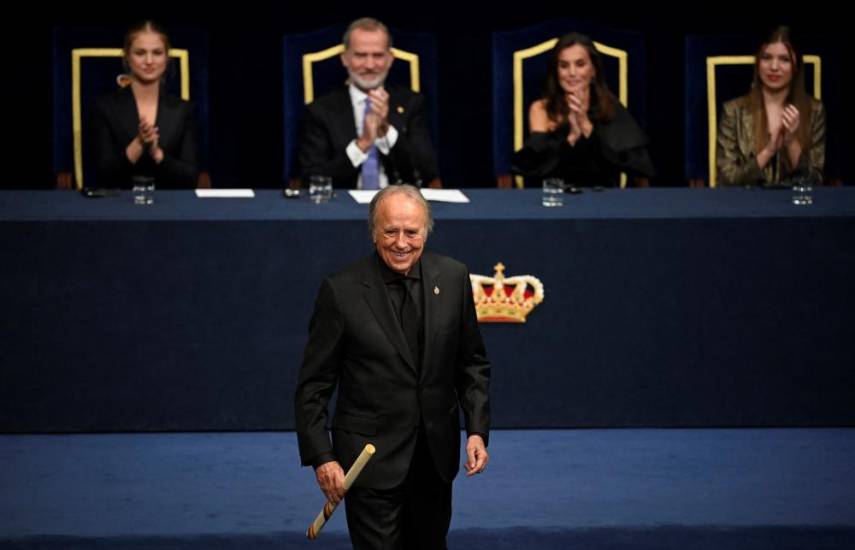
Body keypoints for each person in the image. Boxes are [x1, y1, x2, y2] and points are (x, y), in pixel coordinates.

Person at [295, 184, 490, 549]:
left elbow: (472, 364)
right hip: (368, 463)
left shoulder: (453, 277)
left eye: (412, 232)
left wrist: (477, 430)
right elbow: (313, 387)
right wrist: (322, 457)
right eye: (391, 231)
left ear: (426, 232)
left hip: (434, 460)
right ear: (373, 232)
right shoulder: (341, 291)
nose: (401, 243)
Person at [297, 17, 439, 189]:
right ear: (345, 58)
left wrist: (386, 132)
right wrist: (362, 144)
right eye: (360, 55)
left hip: (397, 207)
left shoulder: (411, 103)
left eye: (378, 55)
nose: (370, 65)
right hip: (340, 207)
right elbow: (312, 177)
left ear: (390, 59)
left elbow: (427, 172)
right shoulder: (320, 110)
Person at [512, 32, 654, 187]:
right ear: (556, 71)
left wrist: (585, 125)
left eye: (580, 64)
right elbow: (531, 167)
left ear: (593, 70)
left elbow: (637, 165)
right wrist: (572, 136)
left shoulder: (610, 106)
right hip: (555, 200)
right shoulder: (541, 109)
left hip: (602, 201)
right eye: (564, 66)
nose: (572, 73)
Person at [90, 20, 199, 188]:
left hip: (170, 207)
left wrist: (157, 153)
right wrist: (139, 144)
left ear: (167, 57)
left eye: (157, 53)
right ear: (127, 56)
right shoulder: (104, 107)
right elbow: (102, 176)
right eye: (140, 53)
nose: (149, 61)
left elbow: (190, 177)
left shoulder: (184, 110)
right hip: (118, 206)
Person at [716, 26, 825, 186]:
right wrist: (768, 151)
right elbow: (726, 181)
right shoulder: (733, 111)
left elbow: (814, 183)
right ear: (758, 62)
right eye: (766, 57)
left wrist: (791, 142)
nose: (774, 67)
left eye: (784, 59)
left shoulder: (814, 111)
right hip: (747, 206)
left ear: (795, 66)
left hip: (796, 207)